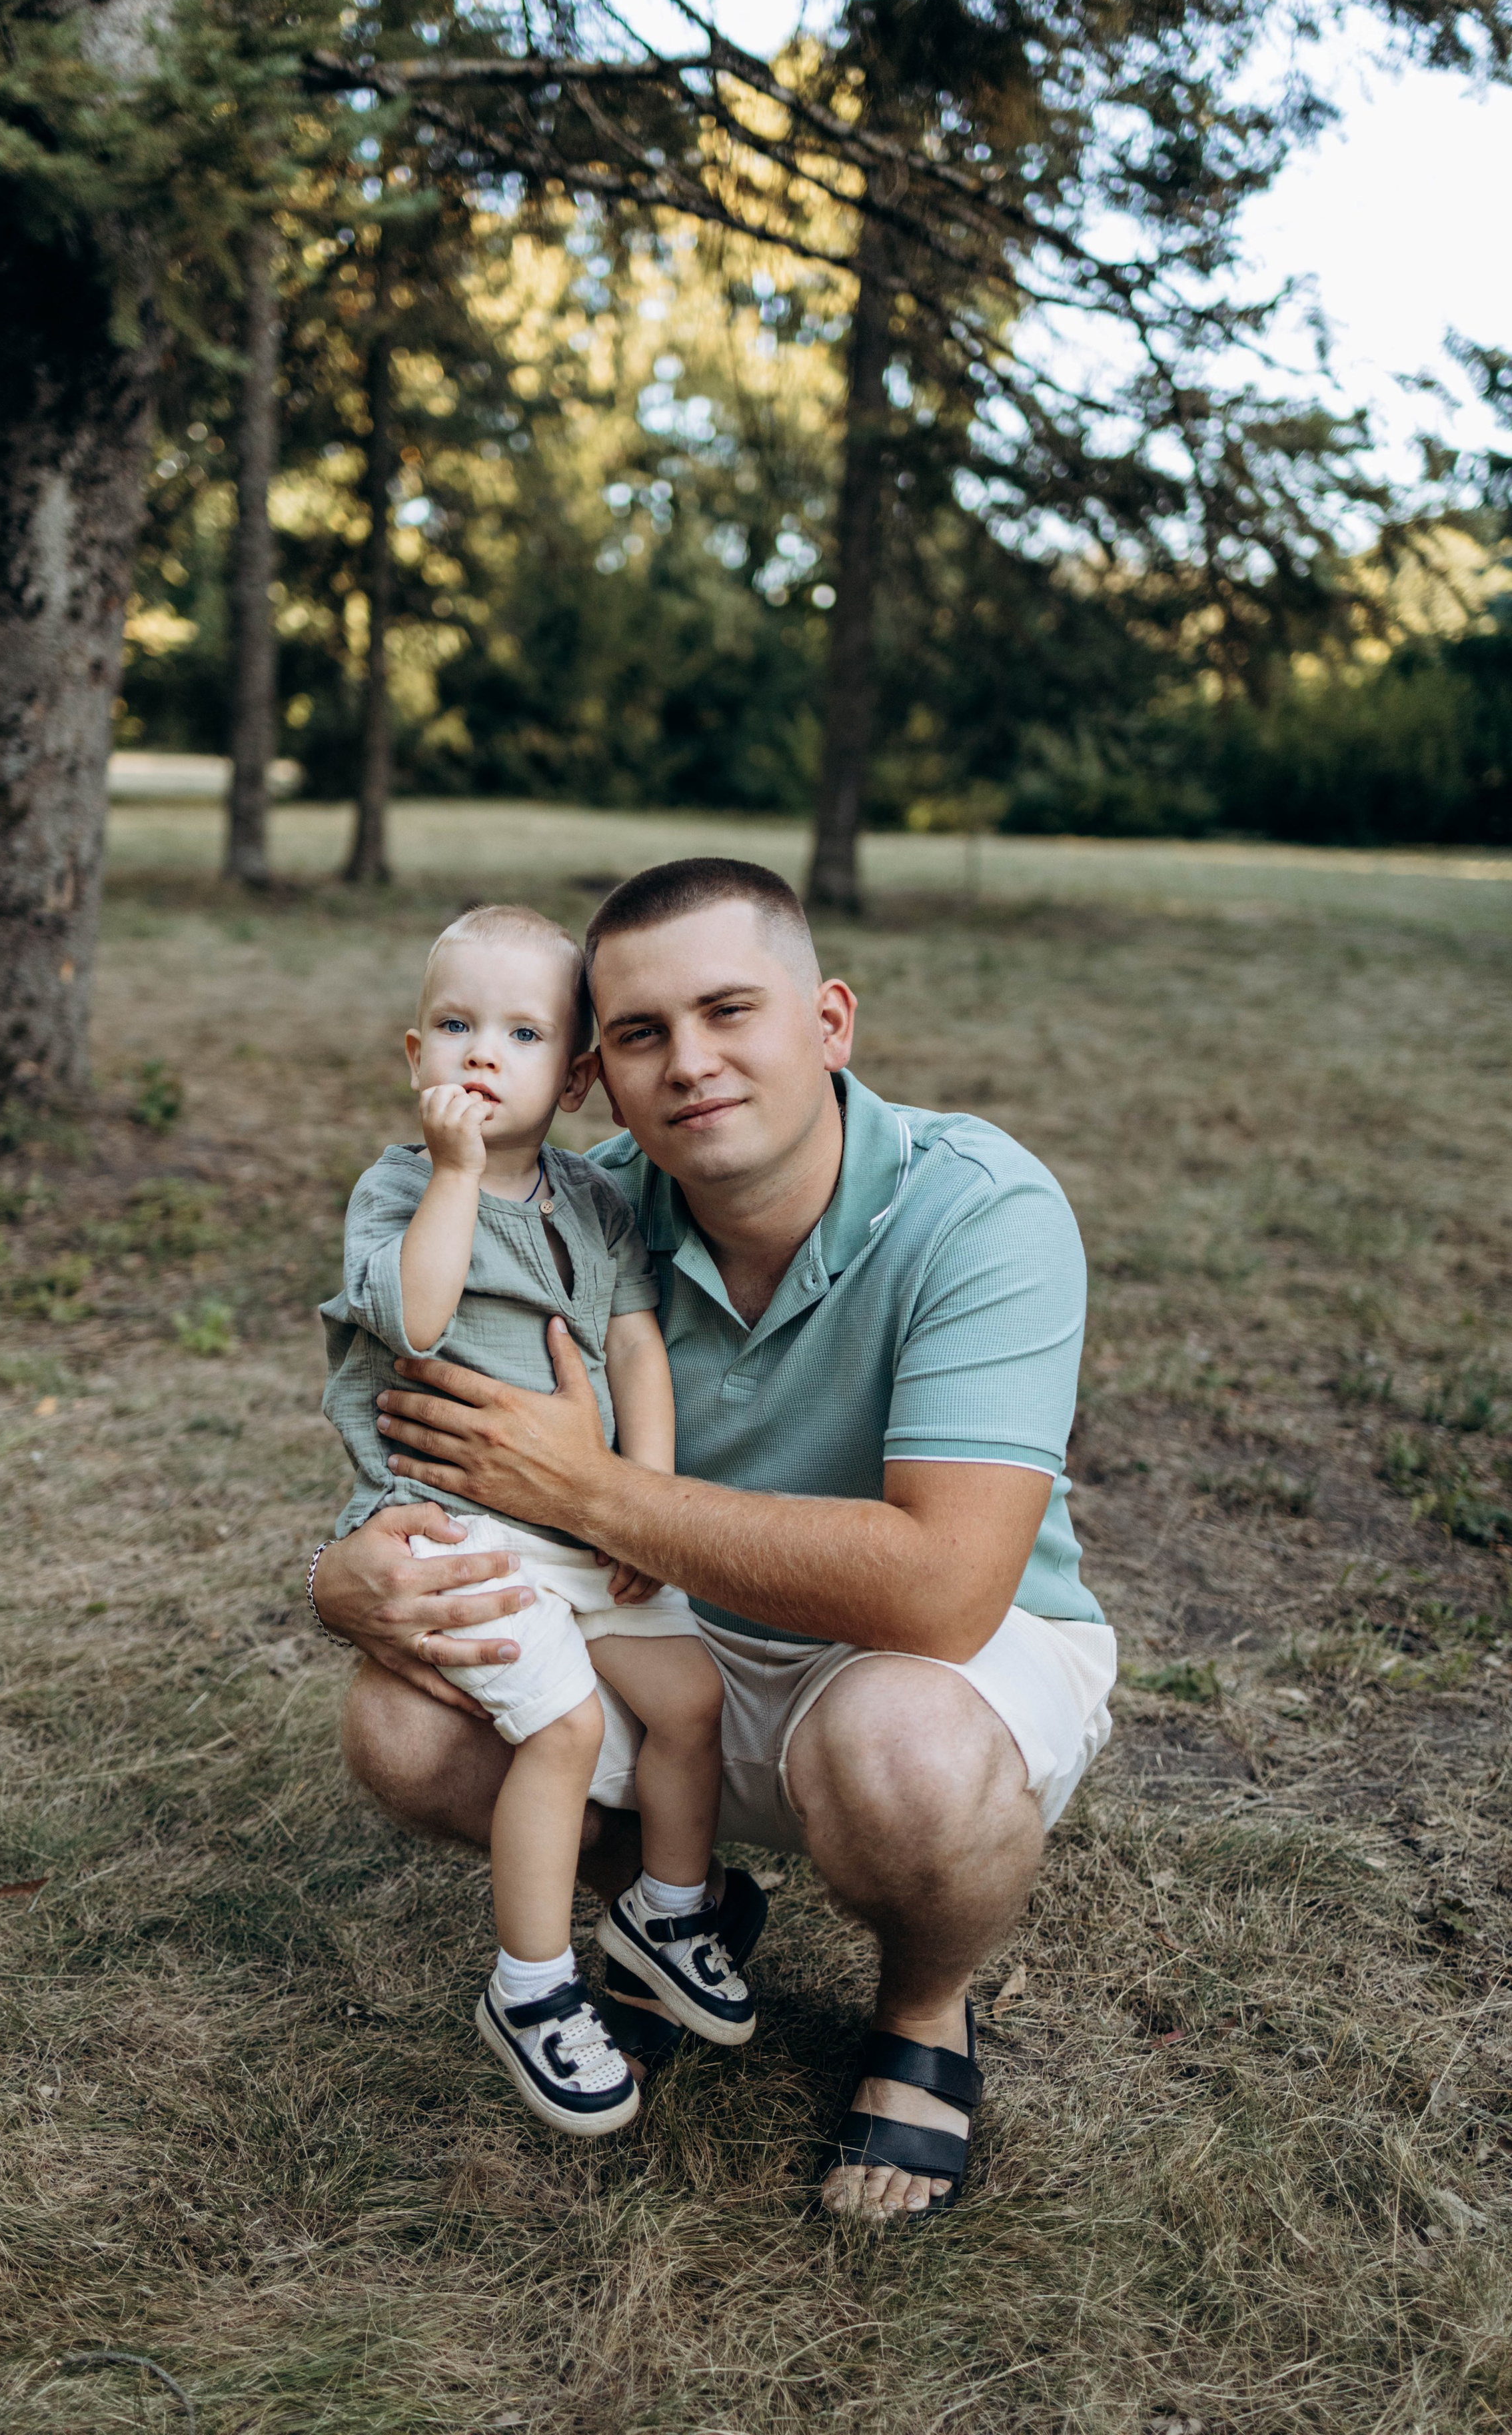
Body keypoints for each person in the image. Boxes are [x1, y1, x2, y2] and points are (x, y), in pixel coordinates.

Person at [309, 858, 1116, 2221]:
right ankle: (679, 1903)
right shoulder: (575, 1209)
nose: (688, 1062)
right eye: (637, 1033)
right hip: (661, 1632)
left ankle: (922, 2013)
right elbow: (412, 1427)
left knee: (901, 1758)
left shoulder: (979, 1209)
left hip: (922, 1658)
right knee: (401, 1720)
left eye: (729, 1010)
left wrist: (597, 1495)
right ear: (596, 1075)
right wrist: (352, 1579)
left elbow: (943, 1591)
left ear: (827, 1021)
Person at [319, 904, 752, 2139]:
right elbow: (414, 1315)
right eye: (454, 1026)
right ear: (414, 1057)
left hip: (584, 1519)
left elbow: (634, 1346)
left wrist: (648, 1506)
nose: (478, 1055)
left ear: (570, 1080)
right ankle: (532, 1986)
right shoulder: (399, 1186)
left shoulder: (598, 1205)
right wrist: (456, 1175)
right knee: (560, 1731)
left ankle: (668, 1911)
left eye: (517, 1033)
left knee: (689, 1698)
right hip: (454, 1526)